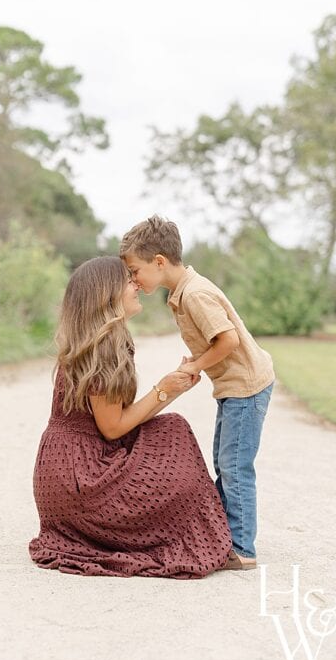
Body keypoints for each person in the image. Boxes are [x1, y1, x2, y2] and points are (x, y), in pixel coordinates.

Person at [28, 256, 233, 578]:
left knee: (169, 428)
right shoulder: (102, 347)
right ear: (107, 295)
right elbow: (113, 428)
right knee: (173, 434)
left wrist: (172, 388)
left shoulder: (99, 341)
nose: (137, 285)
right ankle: (198, 535)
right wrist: (164, 389)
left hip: (67, 474)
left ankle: (191, 529)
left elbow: (117, 420)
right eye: (128, 281)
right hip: (79, 478)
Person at [120, 216, 274, 571]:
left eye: (135, 270)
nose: (134, 280)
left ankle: (241, 547)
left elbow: (228, 339)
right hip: (234, 386)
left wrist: (197, 365)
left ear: (159, 262)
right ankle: (223, 534)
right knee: (225, 461)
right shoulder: (182, 292)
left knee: (235, 466)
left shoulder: (195, 294)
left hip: (246, 386)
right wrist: (200, 360)